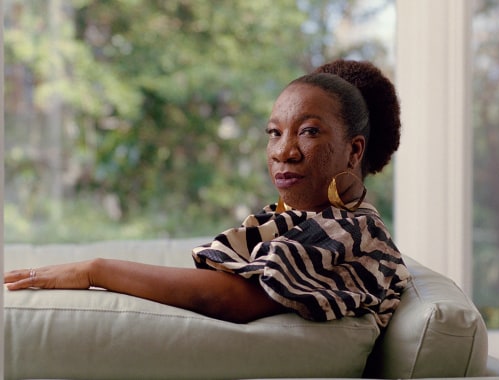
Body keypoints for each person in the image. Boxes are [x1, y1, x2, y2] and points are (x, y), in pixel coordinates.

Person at [4, 59, 410, 328]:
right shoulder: (305, 220)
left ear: (354, 149)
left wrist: (95, 271)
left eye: (308, 131)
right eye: (274, 132)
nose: (283, 151)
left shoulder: (353, 231)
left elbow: (237, 299)